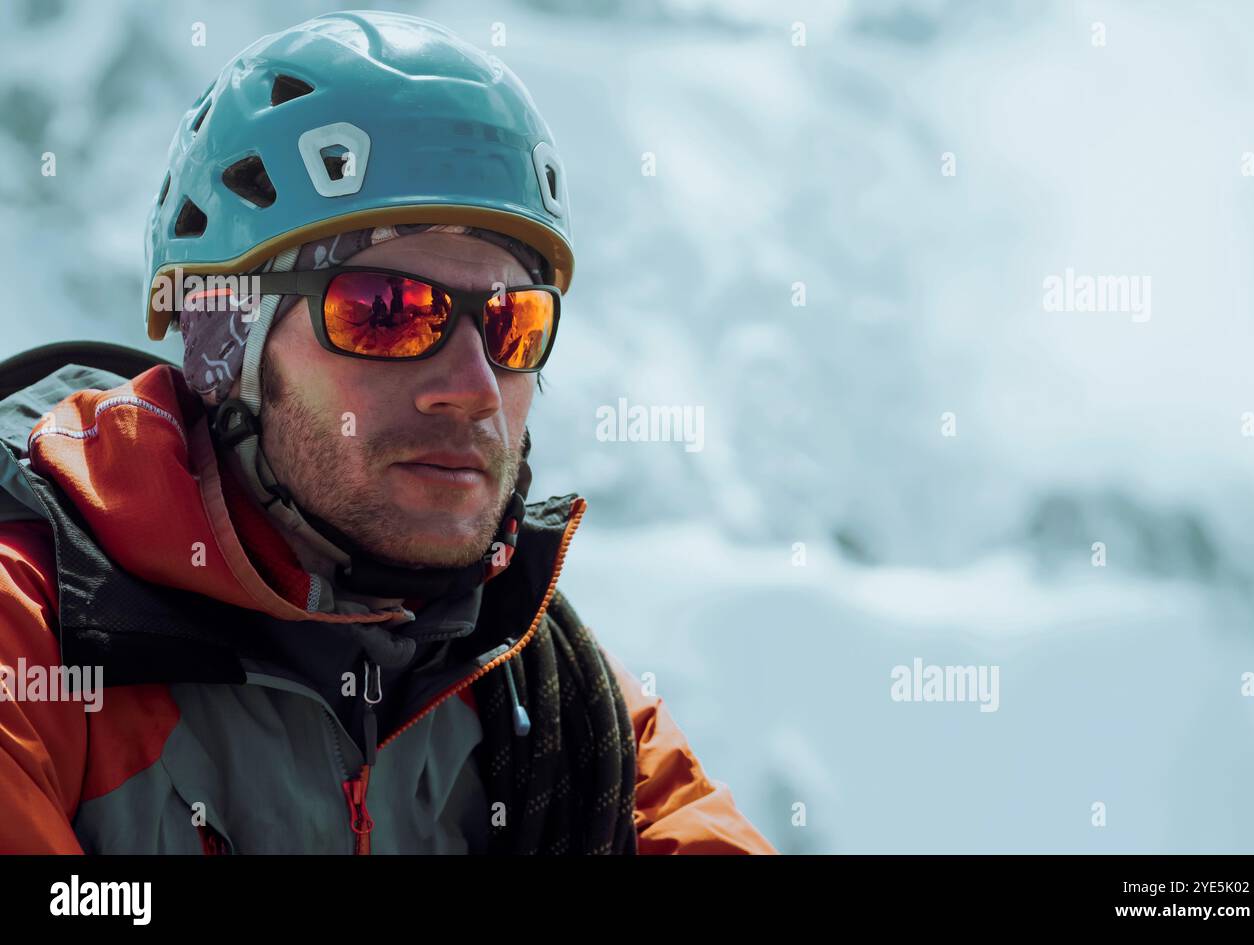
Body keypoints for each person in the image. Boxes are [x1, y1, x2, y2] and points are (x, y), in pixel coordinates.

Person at [0, 10, 776, 855]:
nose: (473, 389)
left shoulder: (564, 707)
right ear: (226, 343)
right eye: (386, 312)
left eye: (512, 325)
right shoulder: (34, 638)